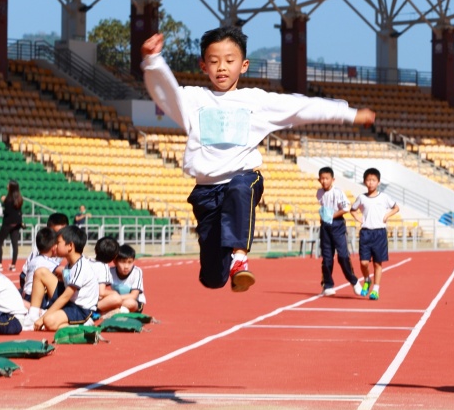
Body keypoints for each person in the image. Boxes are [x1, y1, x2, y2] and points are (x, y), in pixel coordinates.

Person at [141, 26, 376, 292]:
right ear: (203, 66)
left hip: (243, 179)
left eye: (229, 61)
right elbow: (164, 91)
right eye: (214, 61)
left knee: (241, 186)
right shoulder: (193, 100)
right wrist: (152, 60)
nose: (221, 67)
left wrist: (350, 114)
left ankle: (240, 259)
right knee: (213, 279)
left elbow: (302, 107)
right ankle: (226, 268)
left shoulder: (255, 101)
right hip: (206, 192)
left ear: (243, 65)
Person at [28, 225, 98, 331]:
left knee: (49, 321)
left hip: (81, 309)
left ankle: (84, 324)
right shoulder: (69, 264)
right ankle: (32, 316)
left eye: (58, 243)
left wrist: (43, 318)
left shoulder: (81, 266)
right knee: (40, 272)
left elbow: (66, 296)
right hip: (70, 302)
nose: (54, 246)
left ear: (70, 246)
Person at [350, 167, 399, 301]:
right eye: (368, 180)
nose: (371, 183)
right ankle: (367, 279)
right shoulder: (361, 198)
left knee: (377, 263)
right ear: (364, 182)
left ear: (378, 182)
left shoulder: (384, 197)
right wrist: (358, 218)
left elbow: (396, 207)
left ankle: (376, 290)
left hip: (379, 233)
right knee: (364, 262)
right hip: (366, 233)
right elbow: (353, 210)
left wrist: (387, 215)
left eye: (373, 180)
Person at [316, 166, 362, 298]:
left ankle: (354, 281)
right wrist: (324, 217)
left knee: (342, 256)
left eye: (327, 178)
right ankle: (327, 285)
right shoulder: (319, 193)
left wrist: (332, 216)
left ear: (333, 179)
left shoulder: (338, 192)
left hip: (337, 225)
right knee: (327, 258)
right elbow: (323, 207)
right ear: (319, 180)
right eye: (322, 179)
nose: (324, 181)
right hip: (325, 226)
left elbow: (346, 208)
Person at [19, 212, 69, 294]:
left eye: (62, 233)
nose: (58, 237)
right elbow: (63, 271)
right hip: (28, 278)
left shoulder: (64, 244)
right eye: (55, 233)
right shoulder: (44, 249)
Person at [21, 226, 61, 304]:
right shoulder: (50, 263)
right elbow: (63, 271)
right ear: (54, 248)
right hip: (38, 298)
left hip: (26, 295)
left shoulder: (33, 261)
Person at [108, 243, 146, 313]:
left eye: (129, 262)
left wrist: (114, 299)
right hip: (117, 302)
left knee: (130, 303)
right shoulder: (110, 272)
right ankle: (117, 311)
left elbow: (133, 295)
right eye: (123, 262)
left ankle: (114, 311)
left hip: (135, 303)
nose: (126, 266)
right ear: (115, 262)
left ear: (133, 261)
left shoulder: (137, 272)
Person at [0, 180, 23, 272]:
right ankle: (13, 265)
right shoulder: (19, 198)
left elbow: (7, 211)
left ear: (11, 187)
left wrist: (4, 202)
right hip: (17, 223)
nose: (7, 185)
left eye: (8, 184)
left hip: (8, 223)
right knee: (15, 244)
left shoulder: (8, 199)